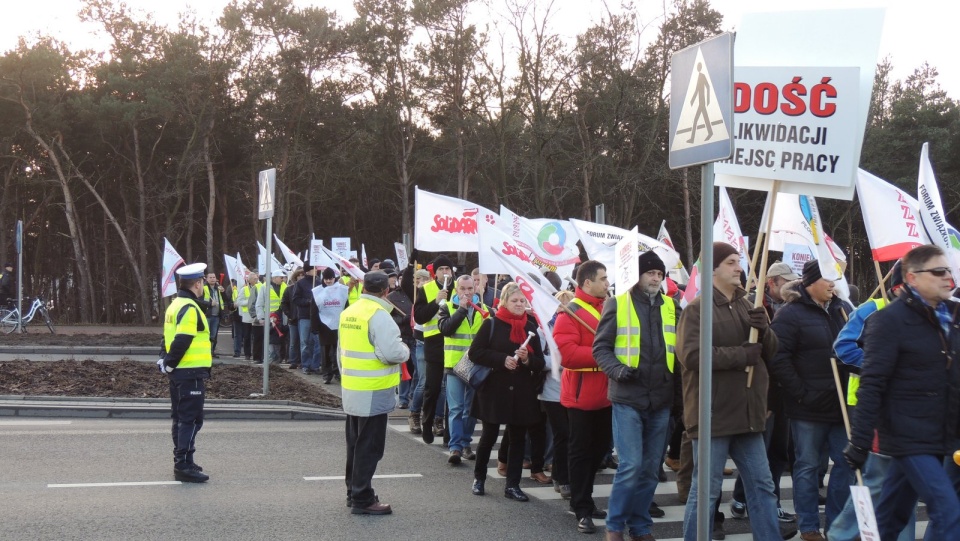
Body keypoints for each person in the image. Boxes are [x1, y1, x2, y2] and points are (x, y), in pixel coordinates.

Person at [845, 245, 960, 539]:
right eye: (938, 271)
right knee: (948, 512)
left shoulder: (948, 318)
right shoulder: (889, 321)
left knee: (889, 520)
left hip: (938, 435)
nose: (948, 277)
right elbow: (872, 383)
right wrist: (859, 443)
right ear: (912, 278)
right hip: (908, 436)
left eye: (948, 270)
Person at [678, 242, 784, 541]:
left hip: (747, 415)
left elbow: (770, 352)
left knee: (762, 485)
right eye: (731, 262)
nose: (739, 268)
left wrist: (765, 328)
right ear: (712, 269)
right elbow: (691, 356)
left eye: (739, 262)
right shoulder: (697, 310)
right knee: (706, 492)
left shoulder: (747, 305)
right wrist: (741, 355)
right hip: (713, 415)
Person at [593, 252, 679, 540]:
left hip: (661, 399)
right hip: (628, 397)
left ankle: (640, 526)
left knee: (651, 470)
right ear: (638, 275)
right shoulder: (617, 304)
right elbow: (600, 348)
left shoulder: (671, 306)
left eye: (659, 274)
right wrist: (617, 370)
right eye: (650, 273)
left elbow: (679, 351)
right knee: (630, 466)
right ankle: (615, 526)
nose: (656, 278)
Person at [829, 261, 916, 541]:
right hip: (868, 404)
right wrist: (880, 366)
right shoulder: (870, 308)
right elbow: (842, 348)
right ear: (899, 285)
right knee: (876, 479)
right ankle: (844, 534)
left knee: (906, 479)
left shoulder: (927, 313)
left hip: (910, 408)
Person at [769, 259, 854, 541]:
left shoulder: (843, 310)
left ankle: (837, 525)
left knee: (845, 465)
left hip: (841, 404)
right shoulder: (790, 314)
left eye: (835, 279)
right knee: (806, 465)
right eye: (827, 279)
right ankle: (808, 526)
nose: (833, 284)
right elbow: (778, 358)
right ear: (810, 282)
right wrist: (801, 394)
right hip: (808, 407)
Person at [730, 261, 799, 523]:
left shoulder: (790, 307)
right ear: (771, 282)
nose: (791, 285)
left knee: (777, 452)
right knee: (758, 451)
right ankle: (743, 498)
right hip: (760, 389)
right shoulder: (754, 304)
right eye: (785, 281)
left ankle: (766, 503)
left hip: (782, 392)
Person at [340, 271, 410, 515]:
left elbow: (342, 352)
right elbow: (392, 353)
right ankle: (362, 497)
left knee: (356, 445)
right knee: (370, 447)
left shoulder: (350, 311)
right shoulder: (379, 314)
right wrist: (405, 350)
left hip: (353, 388)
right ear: (385, 291)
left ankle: (354, 492)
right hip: (373, 389)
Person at [469, 281, 546, 501]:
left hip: (522, 391)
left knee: (518, 439)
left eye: (523, 301)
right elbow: (475, 352)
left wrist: (527, 359)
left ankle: (513, 485)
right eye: (515, 300)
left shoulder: (530, 327)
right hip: (494, 389)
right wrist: (502, 359)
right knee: (489, 436)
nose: (520, 304)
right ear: (504, 301)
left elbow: (540, 363)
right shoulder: (491, 323)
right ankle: (479, 478)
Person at [553, 260, 612, 534]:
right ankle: (581, 508)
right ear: (587, 283)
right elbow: (569, 355)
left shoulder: (608, 308)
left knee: (599, 452)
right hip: (580, 397)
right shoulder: (569, 312)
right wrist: (607, 357)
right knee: (580, 453)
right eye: (602, 279)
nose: (607, 283)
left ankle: (585, 499)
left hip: (607, 395)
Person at [158, 262, 213, 483]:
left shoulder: (175, 304)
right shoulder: (190, 308)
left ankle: (185, 460)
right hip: (190, 372)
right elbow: (182, 340)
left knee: (181, 418)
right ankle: (183, 465)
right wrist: (169, 362)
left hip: (180, 373)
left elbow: (166, 337)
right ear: (198, 283)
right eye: (202, 283)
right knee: (190, 420)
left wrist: (164, 360)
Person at [438, 275, 489, 465]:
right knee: (456, 409)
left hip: (474, 367)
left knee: (470, 409)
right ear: (456, 290)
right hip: (453, 367)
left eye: (470, 288)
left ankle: (466, 443)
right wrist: (461, 309)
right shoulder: (446, 307)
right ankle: (455, 447)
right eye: (463, 289)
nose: (466, 292)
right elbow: (446, 329)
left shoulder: (484, 309)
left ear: (475, 289)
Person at [413, 255, 455, 443]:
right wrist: (435, 302)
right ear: (435, 272)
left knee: (452, 392)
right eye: (441, 269)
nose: (445, 272)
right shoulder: (427, 289)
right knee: (433, 388)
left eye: (448, 268)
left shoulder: (460, 288)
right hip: (434, 346)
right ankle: (427, 424)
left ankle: (449, 432)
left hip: (455, 346)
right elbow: (420, 317)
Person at [406, 268, 433, 434]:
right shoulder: (416, 295)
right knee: (423, 382)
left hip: (439, 341)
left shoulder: (441, 293)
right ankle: (414, 413)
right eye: (420, 280)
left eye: (425, 280)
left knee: (441, 385)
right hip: (422, 341)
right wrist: (411, 261)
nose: (423, 283)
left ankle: (437, 419)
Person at [314, 267, 346, 383]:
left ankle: (337, 372)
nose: (328, 281)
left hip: (339, 325)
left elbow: (345, 306)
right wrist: (315, 326)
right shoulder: (317, 291)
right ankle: (327, 374)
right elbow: (314, 309)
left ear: (334, 278)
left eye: (330, 279)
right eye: (326, 279)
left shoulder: (342, 290)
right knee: (325, 352)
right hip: (324, 326)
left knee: (337, 350)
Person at [250, 269, 287, 365]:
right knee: (270, 338)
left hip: (282, 317)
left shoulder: (285, 286)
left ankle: (278, 358)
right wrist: (261, 318)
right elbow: (259, 303)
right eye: (281, 277)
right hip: (269, 317)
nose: (283, 279)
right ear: (275, 278)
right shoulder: (264, 287)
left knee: (280, 339)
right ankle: (271, 358)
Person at [292, 266, 321, 375]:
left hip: (317, 317)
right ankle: (306, 365)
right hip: (304, 317)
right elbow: (295, 299)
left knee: (317, 342)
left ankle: (315, 365)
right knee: (305, 342)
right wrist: (308, 302)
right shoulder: (300, 283)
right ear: (308, 271)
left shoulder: (319, 282)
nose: (316, 271)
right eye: (314, 269)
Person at [237, 272, 258, 360]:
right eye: (254, 279)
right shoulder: (244, 289)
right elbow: (239, 302)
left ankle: (256, 354)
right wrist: (249, 302)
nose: (256, 280)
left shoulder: (259, 288)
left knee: (257, 337)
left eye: (256, 279)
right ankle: (247, 354)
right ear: (249, 280)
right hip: (246, 317)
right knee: (247, 337)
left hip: (256, 316)